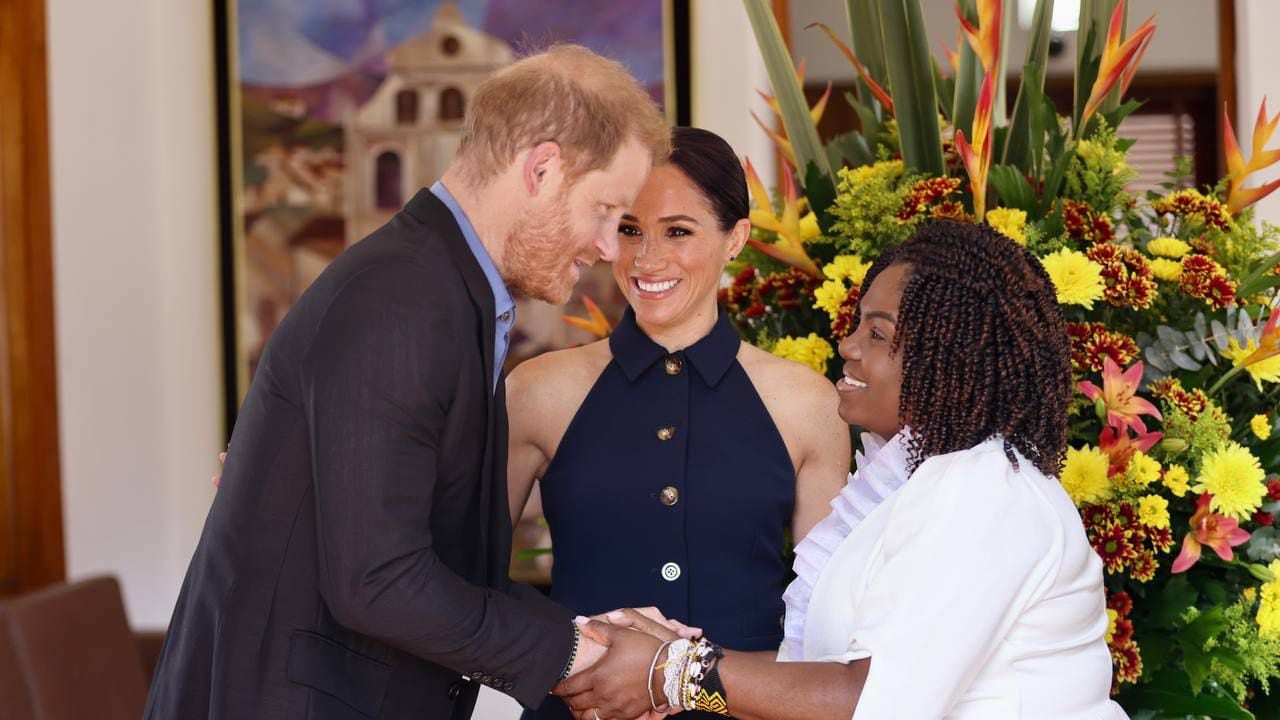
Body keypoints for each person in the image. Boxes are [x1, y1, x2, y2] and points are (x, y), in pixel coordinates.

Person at [144, 44, 671, 720]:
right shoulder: (401, 300)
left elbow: (430, 563)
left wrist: (590, 635)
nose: (607, 247)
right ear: (543, 169)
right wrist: (577, 653)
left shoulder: (444, 291)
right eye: (605, 210)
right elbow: (377, 581)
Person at [557, 220, 1126, 719]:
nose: (848, 345)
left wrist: (672, 671)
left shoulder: (985, 491)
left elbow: (868, 702)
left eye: (877, 334)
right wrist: (670, 665)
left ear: (949, 356)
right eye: (858, 324)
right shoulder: (923, 481)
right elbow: (821, 680)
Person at [505, 127, 850, 720]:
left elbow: (825, 629)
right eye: (630, 230)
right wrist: (575, 659)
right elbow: (466, 582)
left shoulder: (807, 404)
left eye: (678, 232)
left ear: (735, 238)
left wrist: (689, 680)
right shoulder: (538, 391)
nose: (647, 259)